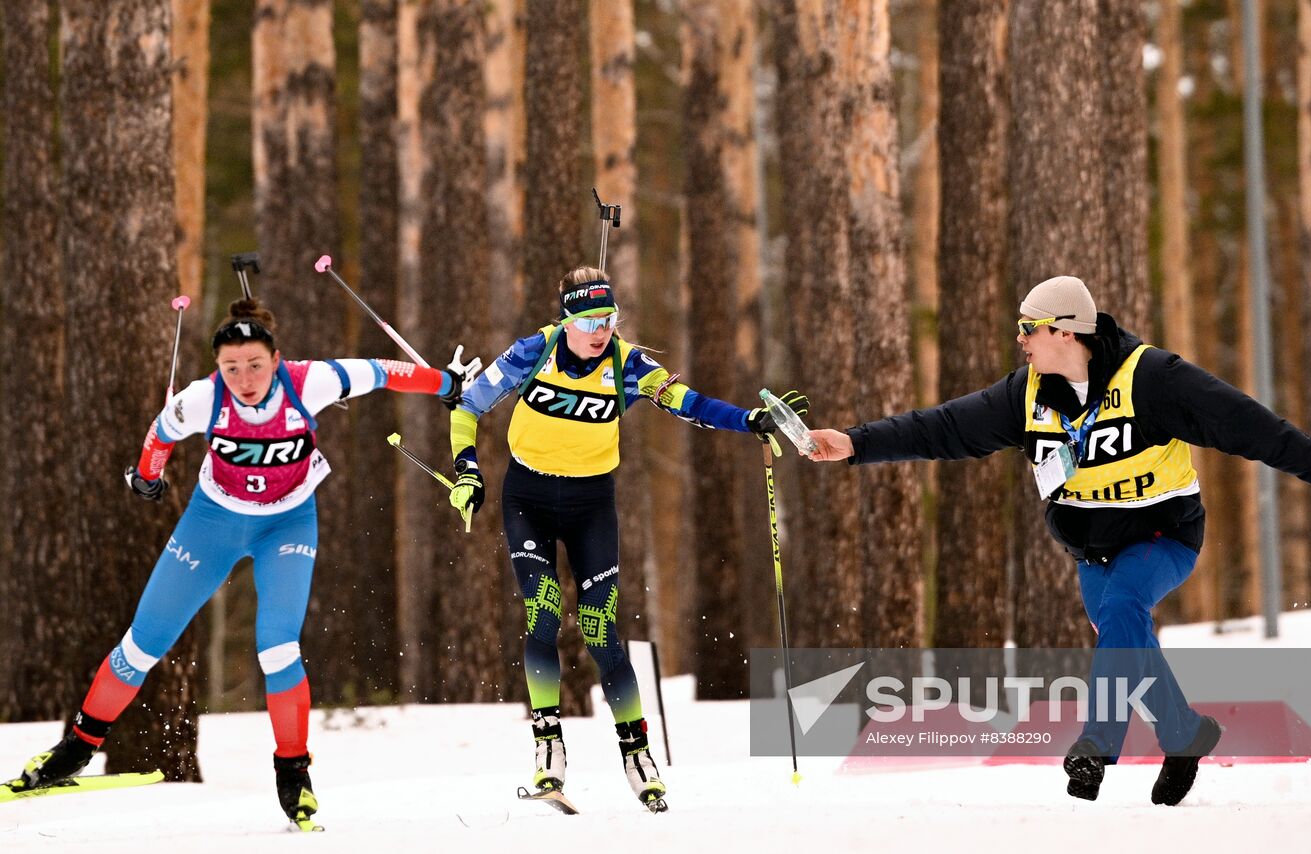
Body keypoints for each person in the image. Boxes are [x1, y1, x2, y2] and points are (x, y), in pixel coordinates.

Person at [804, 275, 1311, 806]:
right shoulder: (1025, 396)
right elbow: (942, 427)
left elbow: (1243, 422)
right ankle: (1185, 734)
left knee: (1122, 608)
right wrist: (853, 443)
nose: (1020, 339)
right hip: (1093, 550)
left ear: (1066, 331)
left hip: (1164, 535)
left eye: (1029, 327)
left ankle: (1096, 746)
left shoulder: (1151, 379)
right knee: (1126, 636)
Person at [6, 298, 466, 827]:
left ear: (276, 359)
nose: (244, 379)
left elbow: (384, 372)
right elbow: (160, 433)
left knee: (278, 647)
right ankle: (77, 749)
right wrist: (147, 477)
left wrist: (446, 384)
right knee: (141, 645)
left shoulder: (310, 382)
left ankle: (293, 772)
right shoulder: (203, 399)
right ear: (217, 367)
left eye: (254, 365)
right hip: (212, 524)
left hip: (286, 525)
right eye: (231, 368)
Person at [448, 266, 803, 810]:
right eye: (590, 320)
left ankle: (638, 755)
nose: (602, 331)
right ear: (566, 320)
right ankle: (548, 748)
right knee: (543, 610)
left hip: (591, 504)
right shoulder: (532, 353)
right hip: (528, 498)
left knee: (599, 628)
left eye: (609, 318)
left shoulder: (628, 364)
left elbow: (689, 403)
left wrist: (748, 419)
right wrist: (468, 471)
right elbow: (467, 405)